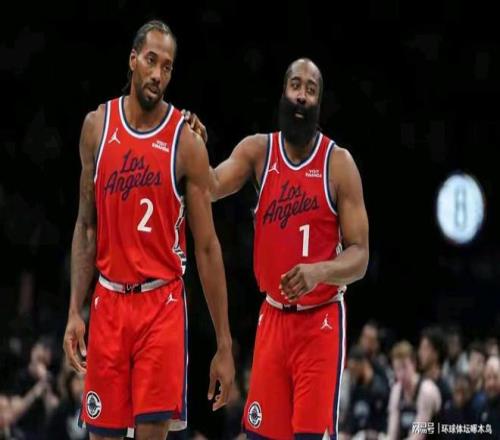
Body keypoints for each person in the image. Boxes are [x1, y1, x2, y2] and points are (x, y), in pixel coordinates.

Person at [62, 20, 235, 440]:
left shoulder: (185, 141)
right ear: (133, 60)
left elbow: (207, 247)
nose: (158, 74)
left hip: (161, 305)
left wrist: (224, 343)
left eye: (168, 66)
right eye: (152, 61)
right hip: (108, 302)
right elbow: (86, 226)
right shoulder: (97, 127)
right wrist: (74, 311)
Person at [186, 57, 369, 438]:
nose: (302, 95)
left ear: (318, 103)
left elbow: (360, 255)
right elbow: (212, 186)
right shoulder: (258, 151)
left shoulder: (339, 164)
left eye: (310, 90)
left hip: (320, 321)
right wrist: (196, 150)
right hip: (272, 318)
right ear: (283, 93)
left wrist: (320, 271)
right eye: (295, 85)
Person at [387, 341, 441, 440]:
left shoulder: (427, 391)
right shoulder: (396, 391)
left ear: (414, 364)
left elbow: (419, 435)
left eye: (404, 367)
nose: (401, 374)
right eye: (397, 369)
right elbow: (392, 432)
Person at [340, 345, 389, 440]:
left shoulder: (379, 388)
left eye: (354, 369)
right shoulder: (357, 388)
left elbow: (381, 423)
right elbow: (351, 417)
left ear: (363, 364)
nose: (352, 374)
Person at [418, 326, 453, 408]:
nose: (420, 353)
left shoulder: (444, 391)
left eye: (424, 348)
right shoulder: (417, 384)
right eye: (420, 348)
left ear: (436, 354)